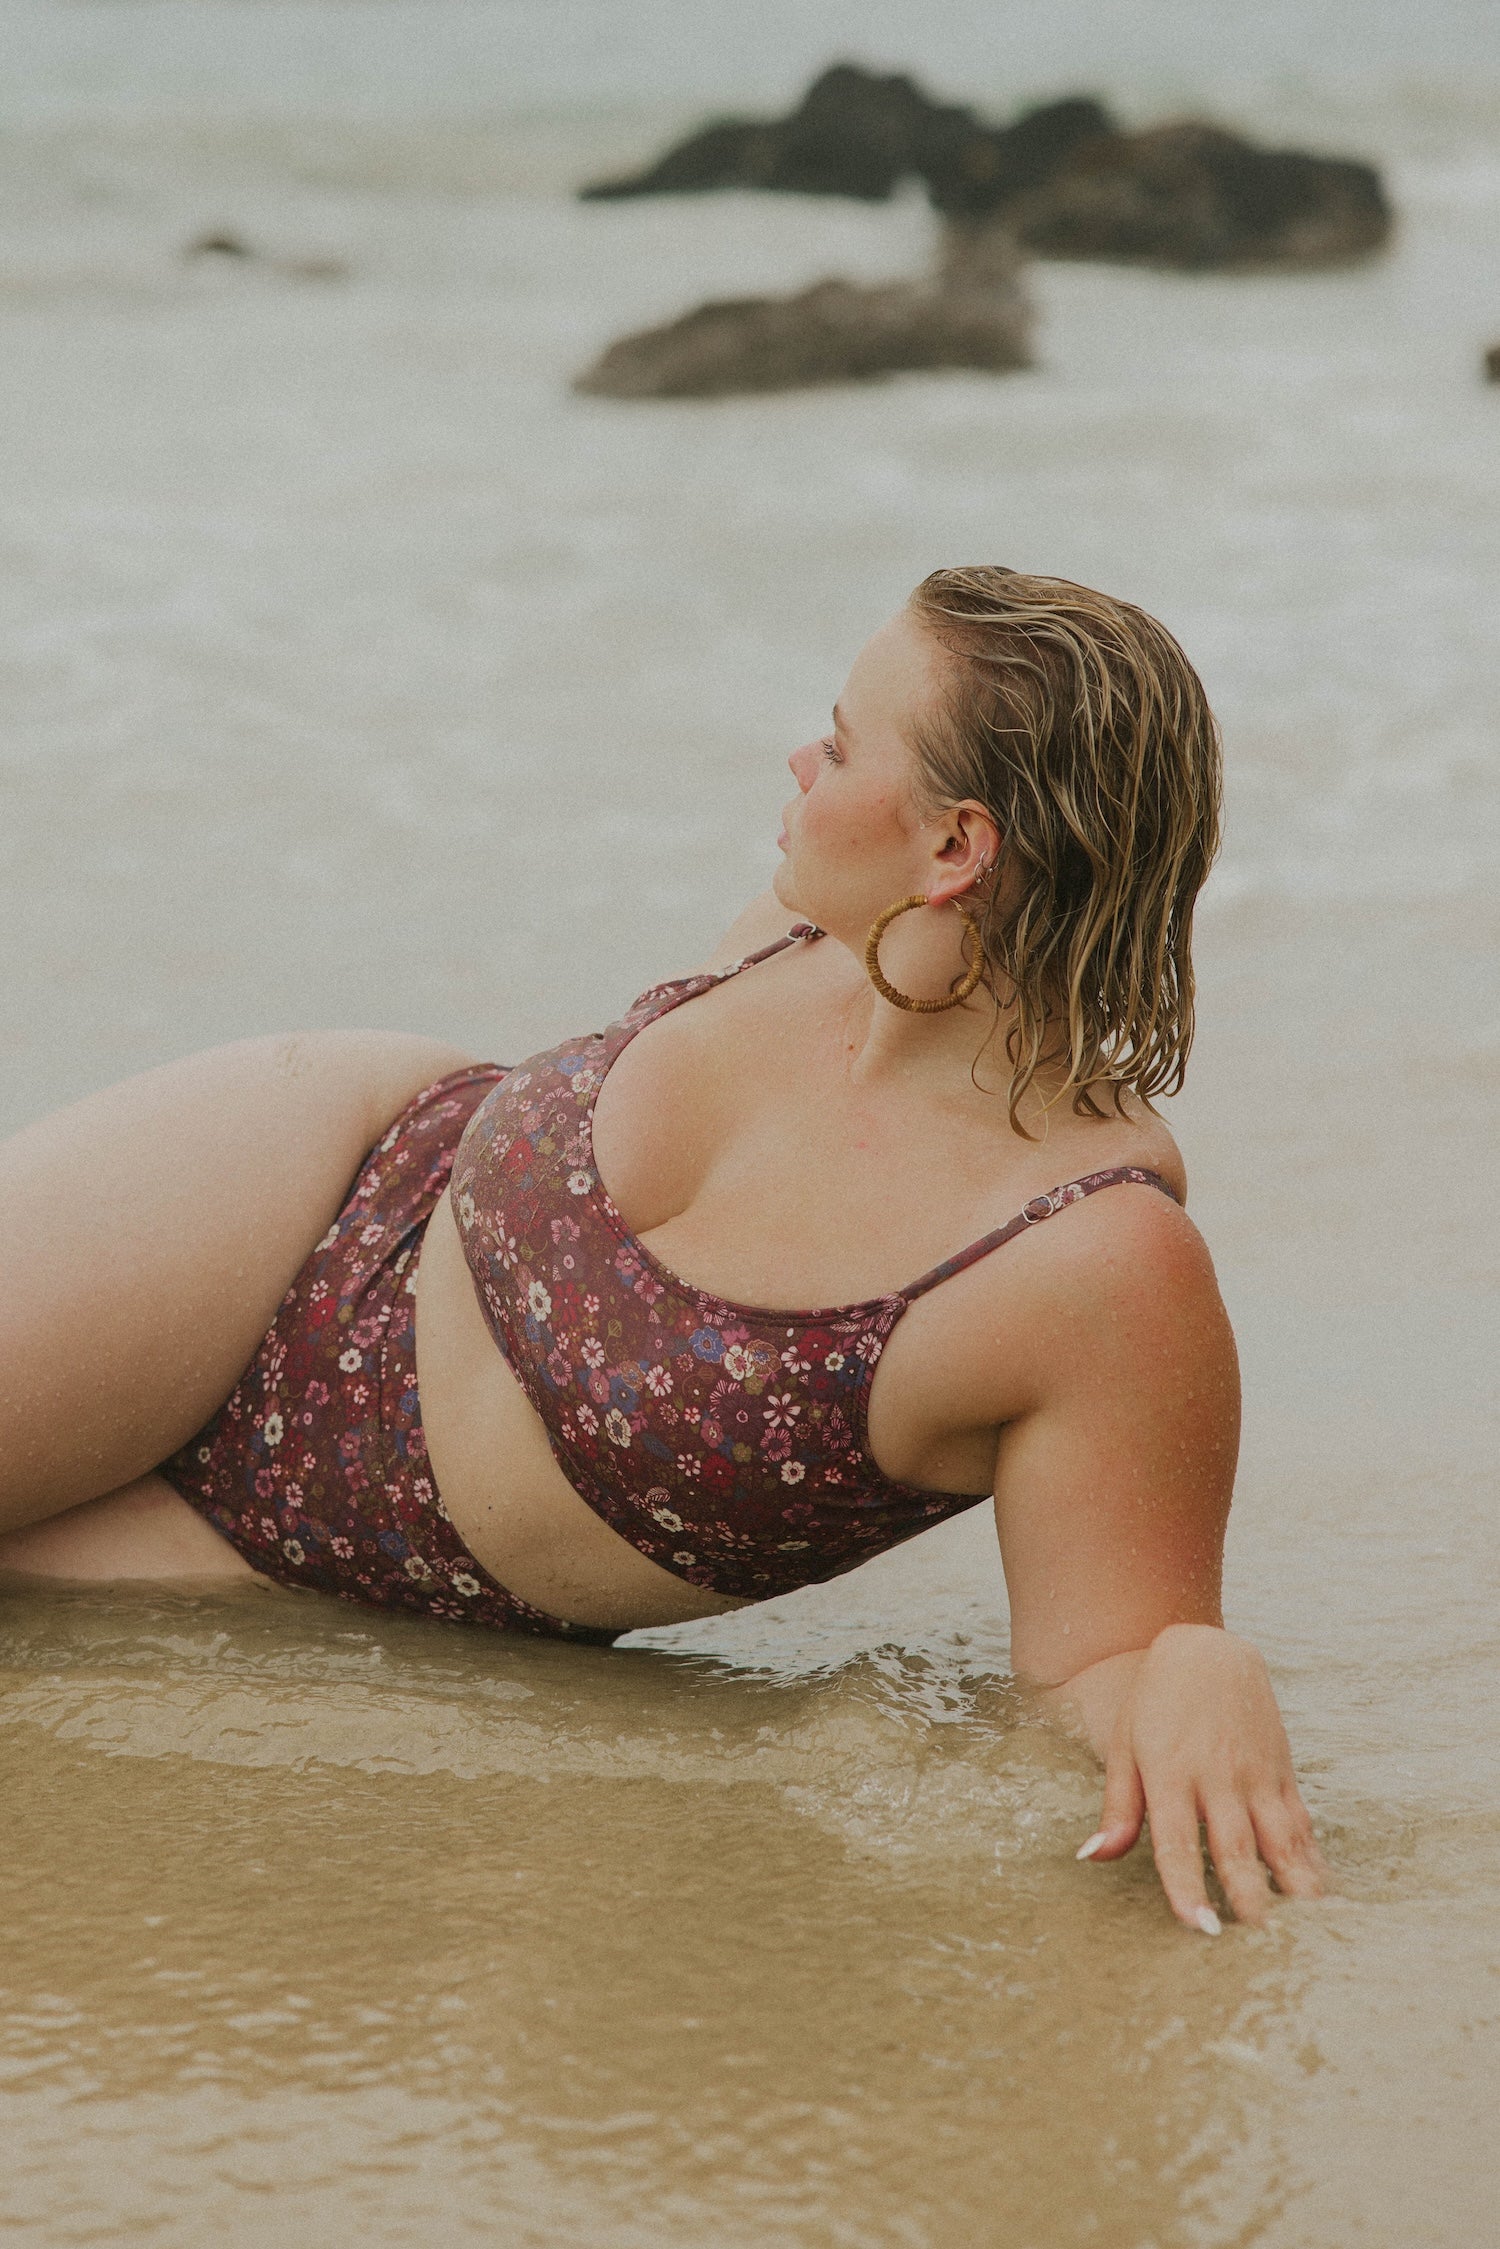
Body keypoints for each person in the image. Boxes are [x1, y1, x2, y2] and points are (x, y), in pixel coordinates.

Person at [0, 566, 1326, 1933]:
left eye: (844, 741)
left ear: (956, 849)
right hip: (297, 1191)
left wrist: (1196, 1661)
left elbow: (1090, 1667)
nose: (800, 759)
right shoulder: (813, 934)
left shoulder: (1093, 1262)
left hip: (341, 1557)